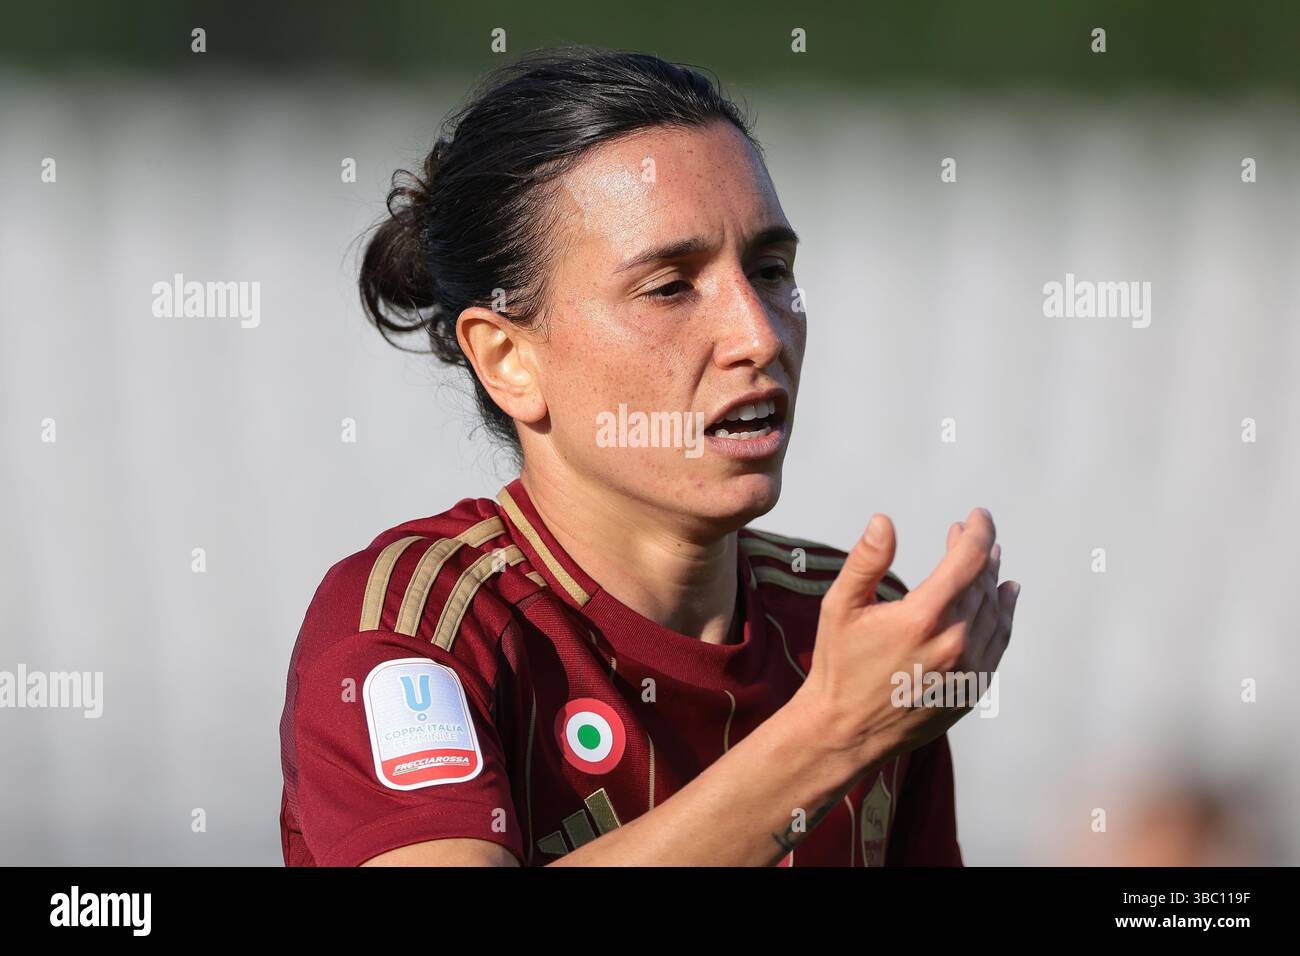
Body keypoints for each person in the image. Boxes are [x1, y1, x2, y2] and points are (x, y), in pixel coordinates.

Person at [278, 46, 1019, 867]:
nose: (760, 333)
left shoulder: (852, 635)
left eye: (771, 271)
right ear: (507, 360)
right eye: (670, 286)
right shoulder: (416, 626)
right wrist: (836, 733)